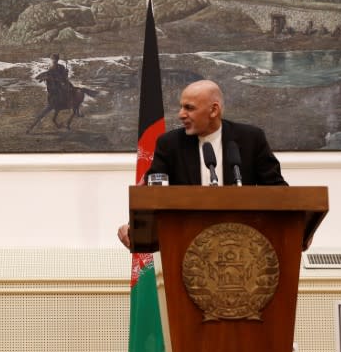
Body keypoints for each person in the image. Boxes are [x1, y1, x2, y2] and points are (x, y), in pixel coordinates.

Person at [117, 80, 286, 248]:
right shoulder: (169, 144)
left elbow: (277, 189)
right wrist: (134, 227)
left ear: (213, 110)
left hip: (243, 244)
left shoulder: (251, 139)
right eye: (181, 107)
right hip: (187, 245)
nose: (181, 114)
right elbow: (154, 195)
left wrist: (299, 226)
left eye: (189, 108)